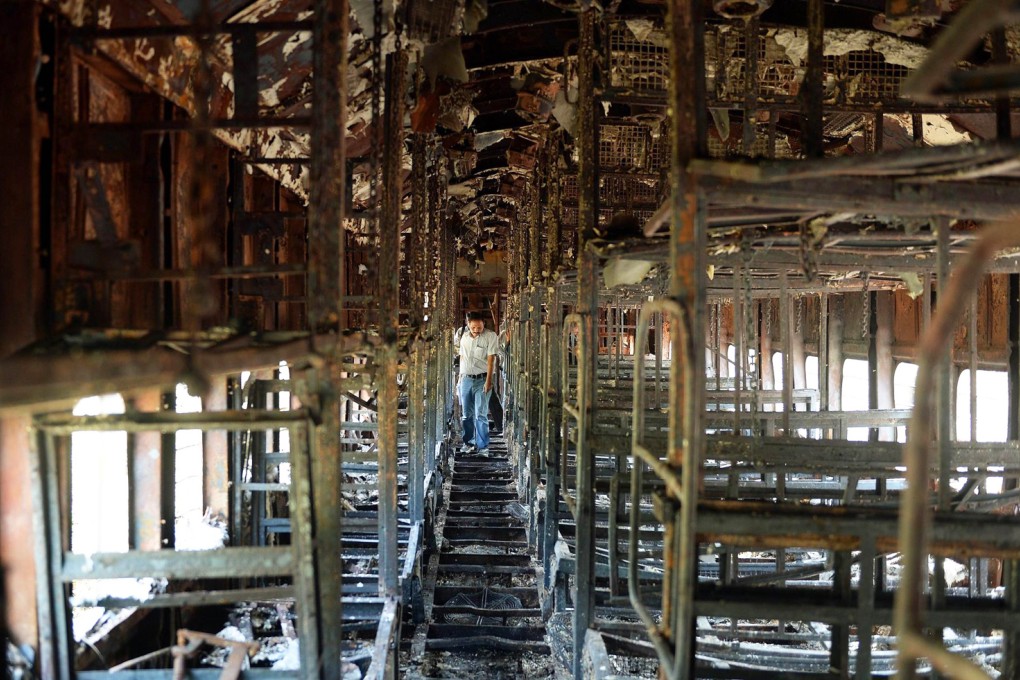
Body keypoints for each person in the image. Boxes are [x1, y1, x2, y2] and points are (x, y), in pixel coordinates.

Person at [457, 311, 500, 455]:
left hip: (482, 379)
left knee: (480, 414)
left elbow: (491, 360)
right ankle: (468, 443)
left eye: (479, 327)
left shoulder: (490, 336)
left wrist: (489, 381)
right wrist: (459, 379)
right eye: (473, 327)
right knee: (466, 415)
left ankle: (483, 447)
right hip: (466, 380)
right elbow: (462, 356)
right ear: (468, 324)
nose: (476, 330)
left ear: (484, 324)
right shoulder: (463, 335)